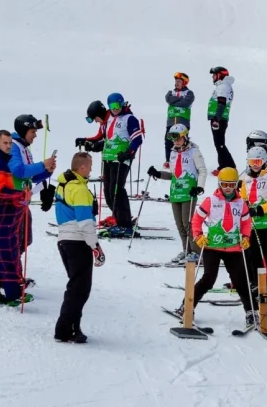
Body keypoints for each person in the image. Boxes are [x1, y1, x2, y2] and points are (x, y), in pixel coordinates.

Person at [180, 167, 256, 327]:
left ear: (236, 185)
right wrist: (198, 236)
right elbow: (196, 220)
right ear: (219, 184)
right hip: (212, 247)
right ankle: (187, 306)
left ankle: (251, 311)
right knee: (208, 280)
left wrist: (246, 237)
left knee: (241, 281)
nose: (228, 188)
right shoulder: (211, 201)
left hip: (234, 248)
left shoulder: (241, 203)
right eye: (224, 184)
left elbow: (246, 223)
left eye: (231, 185)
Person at [54, 152, 105, 344]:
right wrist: (96, 246)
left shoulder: (63, 185)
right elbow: (85, 223)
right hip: (77, 241)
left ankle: (71, 327)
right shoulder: (80, 189)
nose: (91, 170)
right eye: (90, 166)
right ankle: (65, 329)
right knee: (80, 289)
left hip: (64, 240)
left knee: (76, 286)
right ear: (82, 168)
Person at [147, 123, 207, 263]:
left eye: (178, 138)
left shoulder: (194, 151)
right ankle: (187, 250)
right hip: (175, 193)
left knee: (188, 223)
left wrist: (199, 187)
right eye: (173, 140)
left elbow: (202, 171)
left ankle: (197, 252)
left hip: (189, 192)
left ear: (185, 137)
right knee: (179, 224)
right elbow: (174, 175)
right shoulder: (173, 153)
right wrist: (158, 173)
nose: (176, 142)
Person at [0, 130, 29, 306]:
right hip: (0, 215)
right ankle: (13, 294)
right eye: (5, 143)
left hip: (1, 215)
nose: (8, 146)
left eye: (10, 143)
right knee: (7, 254)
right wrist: (18, 195)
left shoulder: (3, 161)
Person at [96, 93, 143, 237]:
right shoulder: (109, 119)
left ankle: (125, 225)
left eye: (117, 105)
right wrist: (94, 145)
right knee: (108, 192)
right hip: (108, 158)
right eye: (111, 106)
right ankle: (120, 219)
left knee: (117, 191)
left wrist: (128, 153)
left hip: (121, 160)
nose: (115, 109)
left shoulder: (130, 119)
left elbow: (137, 140)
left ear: (122, 104)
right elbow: (108, 139)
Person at [239, 146, 267, 295]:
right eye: (252, 161)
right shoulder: (246, 177)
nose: (255, 165)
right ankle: (256, 281)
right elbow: (243, 196)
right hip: (251, 220)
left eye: (258, 161)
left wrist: (261, 209)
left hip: (266, 220)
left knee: (266, 252)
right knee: (252, 252)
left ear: (264, 160)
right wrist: (244, 205)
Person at [9, 114, 55, 257]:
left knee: (25, 240)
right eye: (33, 132)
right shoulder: (13, 146)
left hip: (23, 201)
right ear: (24, 130)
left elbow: (32, 177)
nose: (35, 136)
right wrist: (42, 165)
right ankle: (10, 274)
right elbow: (18, 170)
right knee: (14, 241)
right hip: (12, 202)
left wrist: (46, 171)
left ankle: (14, 271)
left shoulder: (25, 148)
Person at [207, 67, 236, 172]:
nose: (212, 77)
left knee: (219, 144)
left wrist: (216, 119)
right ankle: (230, 165)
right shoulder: (224, 86)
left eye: (214, 75)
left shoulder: (222, 86)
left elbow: (221, 103)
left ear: (220, 75)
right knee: (220, 143)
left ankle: (224, 167)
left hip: (219, 119)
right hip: (220, 118)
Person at [164, 72, 195, 167]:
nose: (176, 83)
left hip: (183, 121)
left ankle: (183, 159)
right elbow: (168, 99)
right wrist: (180, 99)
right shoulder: (170, 92)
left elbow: (185, 103)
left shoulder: (189, 93)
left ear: (184, 83)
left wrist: (175, 101)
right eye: (175, 81)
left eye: (178, 81)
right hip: (171, 121)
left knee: (182, 141)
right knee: (168, 140)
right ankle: (169, 160)